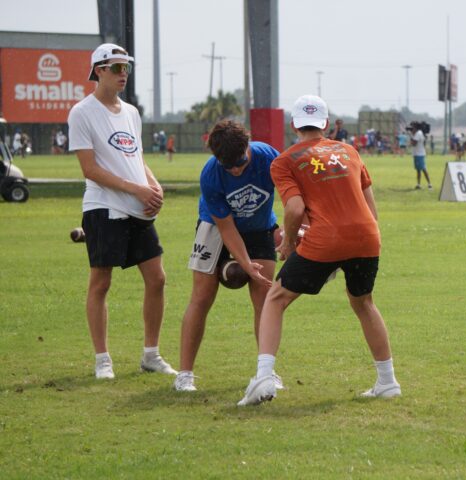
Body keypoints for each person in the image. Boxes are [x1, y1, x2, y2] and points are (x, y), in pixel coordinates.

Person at [237, 94, 400, 406]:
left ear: (293, 126)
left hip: (327, 239)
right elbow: (370, 208)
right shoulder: (349, 151)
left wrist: (288, 243)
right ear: (325, 124)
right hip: (367, 235)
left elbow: (295, 209)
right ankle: (387, 381)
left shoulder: (284, 161)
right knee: (364, 303)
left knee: (275, 297)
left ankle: (264, 377)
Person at [67, 43, 175, 379]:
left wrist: (154, 185)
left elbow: (137, 158)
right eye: (116, 68)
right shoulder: (81, 112)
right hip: (103, 206)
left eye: (126, 67)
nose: (123, 73)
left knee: (157, 279)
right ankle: (103, 360)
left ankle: (151, 355)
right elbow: (90, 170)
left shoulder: (131, 112)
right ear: (98, 71)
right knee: (101, 283)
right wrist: (136, 189)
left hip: (137, 207)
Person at [173, 120, 280, 391]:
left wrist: (289, 230)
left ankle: (266, 373)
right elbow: (227, 227)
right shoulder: (211, 175)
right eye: (228, 165)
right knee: (202, 295)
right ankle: (184, 374)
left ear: (248, 146)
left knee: (265, 298)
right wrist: (245, 264)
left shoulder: (269, 157)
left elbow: (294, 194)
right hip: (215, 227)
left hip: (259, 226)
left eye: (240, 161)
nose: (235, 169)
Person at [409, 124, 432, 189]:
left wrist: (411, 139)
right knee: (418, 170)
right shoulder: (418, 133)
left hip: (419, 154)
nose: (412, 129)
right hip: (417, 153)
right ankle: (419, 184)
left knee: (423, 169)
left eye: (412, 128)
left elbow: (414, 143)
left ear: (415, 128)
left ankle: (429, 184)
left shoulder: (418, 133)